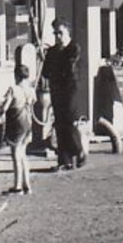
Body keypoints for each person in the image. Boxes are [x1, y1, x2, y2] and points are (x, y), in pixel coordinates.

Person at [41, 20, 85, 170]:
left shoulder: (74, 49)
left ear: (68, 33)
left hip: (70, 90)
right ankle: (63, 159)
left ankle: (79, 152)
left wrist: (57, 67)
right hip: (57, 91)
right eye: (55, 33)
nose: (58, 36)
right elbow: (46, 73)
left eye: (60, 33)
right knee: (59, 124)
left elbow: (70, 70)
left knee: (70, 123)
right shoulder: (53, 51)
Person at [0, 64, 35, 195]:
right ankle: (27, 185)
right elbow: (32, 102)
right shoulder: (30, 90)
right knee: (23, 154)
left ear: (16, 76)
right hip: (28, 122)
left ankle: (17, 186)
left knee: (15, 154)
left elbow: (4, 108)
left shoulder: (13, 89)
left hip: (16, 122)